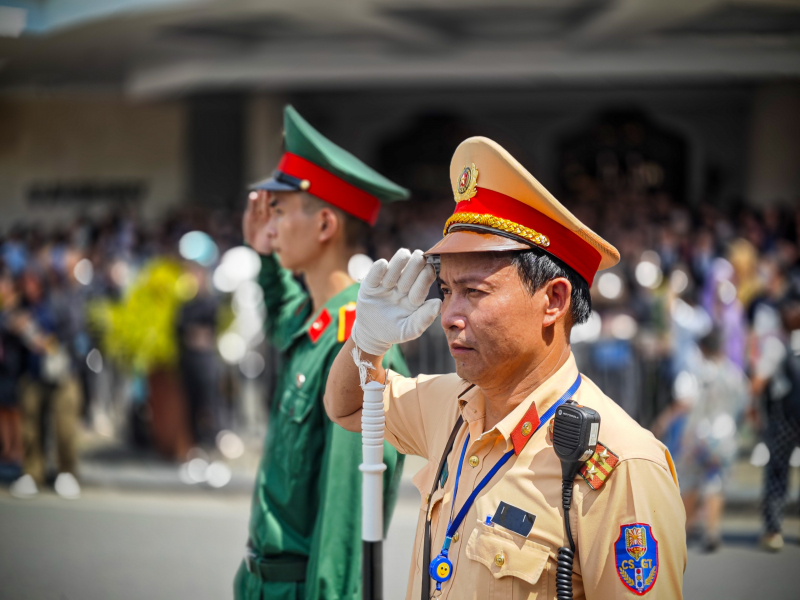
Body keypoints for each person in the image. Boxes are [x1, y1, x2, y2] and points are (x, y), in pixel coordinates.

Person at [326, 137, 686, 599]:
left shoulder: (622, 463)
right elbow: (348, 406)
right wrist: (366, 340)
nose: (449, 314)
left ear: (553, 300)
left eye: (474, 292)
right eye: (446, 289)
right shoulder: (450, 403)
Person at [234, 106, 410, 600]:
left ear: (325, 224)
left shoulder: (358, 346)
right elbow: (283, 315)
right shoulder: (323, 323)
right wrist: (265, 259)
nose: (271, 226)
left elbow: (344, 527)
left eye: (283, 211)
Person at [658, 329, 749, 552]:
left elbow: (684, 402)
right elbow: (745, 404)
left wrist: (662, 422)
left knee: (688, 481)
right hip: (725, 435)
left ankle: (683, 530)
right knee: (715, 482)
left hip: (697, 435)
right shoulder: (734, 374)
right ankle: (712, 530)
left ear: (702, 349)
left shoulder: (694, 373)